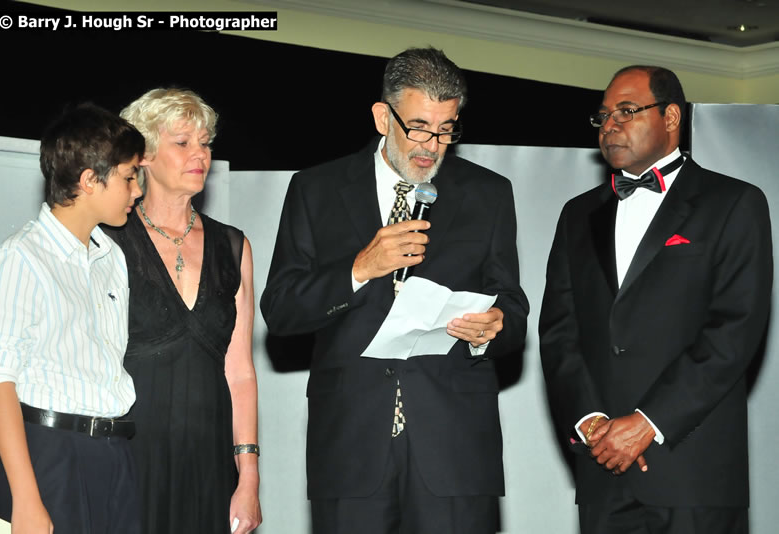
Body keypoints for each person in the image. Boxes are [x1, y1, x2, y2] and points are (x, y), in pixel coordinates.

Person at [261, 47, 529, 534]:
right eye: (420, 127)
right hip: (350, 444)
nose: (433, 145)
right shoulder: (315, 189)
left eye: (447, 129)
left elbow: (511, 304)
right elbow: (280, 310)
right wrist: (359, 270)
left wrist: (494, 327)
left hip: (455, 449)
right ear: (383, 116)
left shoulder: (488, 193)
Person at [539, 65, 773, 534]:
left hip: (693, 473)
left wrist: (648, 422)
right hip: (602, 471)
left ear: (671, 118)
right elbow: (558, 330)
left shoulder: (733, 203)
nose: (610, 125)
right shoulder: (577, 214)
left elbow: (734, 330)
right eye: (603, 115)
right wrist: (589, 421)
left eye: (627, 111)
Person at [0, 103, 144, 533]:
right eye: (128, 176)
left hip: (114, 454)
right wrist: (27, 500)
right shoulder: (21, 256)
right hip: (47, 456)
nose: (137, 190)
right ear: (90, 180)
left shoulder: (113, 258)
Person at [105, 88, 261, 534]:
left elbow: (241, 372)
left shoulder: (234, 247)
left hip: (210, 460)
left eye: (206, 143)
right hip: (129, 454)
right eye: (183, 142)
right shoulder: (107, 240)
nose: (201, 154)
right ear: (146, 154)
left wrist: (248, 477)